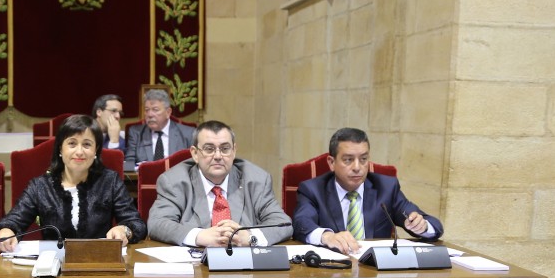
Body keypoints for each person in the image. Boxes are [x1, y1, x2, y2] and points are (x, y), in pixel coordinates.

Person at [0, 114, 146, 252]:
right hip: (53, 264)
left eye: (87, 144)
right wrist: (7, 230)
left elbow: (136, 223)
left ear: (96, 150)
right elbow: (14, 220)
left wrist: (124, 230)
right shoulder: (41, 186)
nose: (79, 152)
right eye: (72, 143)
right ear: (60, 149)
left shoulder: (110, 181)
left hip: (98, 261)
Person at [292, 127, 444, 255]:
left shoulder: (386, 187)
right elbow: (301, 223)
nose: (357, 167)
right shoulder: (313, 190)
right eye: (348, 160)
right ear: (332, 163)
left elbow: (434, 225)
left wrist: (422, 226)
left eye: (363, 159)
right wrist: (327, 236)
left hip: (376, 270)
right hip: (332, 270)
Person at [148, 120, 292, 247]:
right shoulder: (174, 181)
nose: (218, 156)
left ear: (234, 151)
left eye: (225, 149)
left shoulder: (256, 180)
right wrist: (199, 236)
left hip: (244, 264)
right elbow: (157, 223)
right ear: (195, 154)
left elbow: (283, 224)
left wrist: (250, 237)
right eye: (209, 149)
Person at [123, 89, 195, 167]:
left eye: (155, 110)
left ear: (168, 112)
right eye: (147, 110)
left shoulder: (188, 134)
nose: (150, 114)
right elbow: (129, 163)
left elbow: (193, 164)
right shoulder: (136, 133)